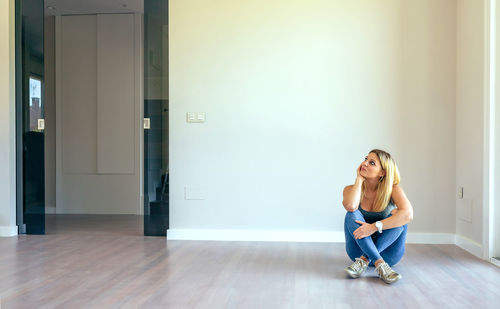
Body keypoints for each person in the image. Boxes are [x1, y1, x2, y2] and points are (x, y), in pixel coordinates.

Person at [342, 149, 413, 284]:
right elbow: (351, 206)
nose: (365, 163)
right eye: (365, 159)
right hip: (357, 251)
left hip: (389, 255)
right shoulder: (349, 190)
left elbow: (408, 214)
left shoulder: (393, 190)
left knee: (400, 215)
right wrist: (359, 179)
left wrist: (374, 227)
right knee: (351, 213)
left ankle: (367, 259)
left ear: (382, 172)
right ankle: (378, 263)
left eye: (372, 162)